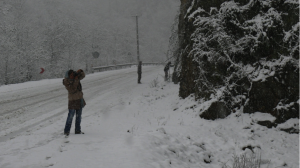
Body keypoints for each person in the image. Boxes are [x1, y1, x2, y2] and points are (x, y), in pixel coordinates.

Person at [63, 69, 86, 136]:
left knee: (79, 117)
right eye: (71, 75)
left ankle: (78, 130)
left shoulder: (76, 78)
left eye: (73, 74)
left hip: (79, 99)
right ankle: (66, 131)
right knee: (70, 116)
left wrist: (80, 71)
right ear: (68, 75)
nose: (73, 76)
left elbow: (83, 76)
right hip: (72, 101)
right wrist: (76, 80)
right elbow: (72, 89)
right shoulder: (66, 81)